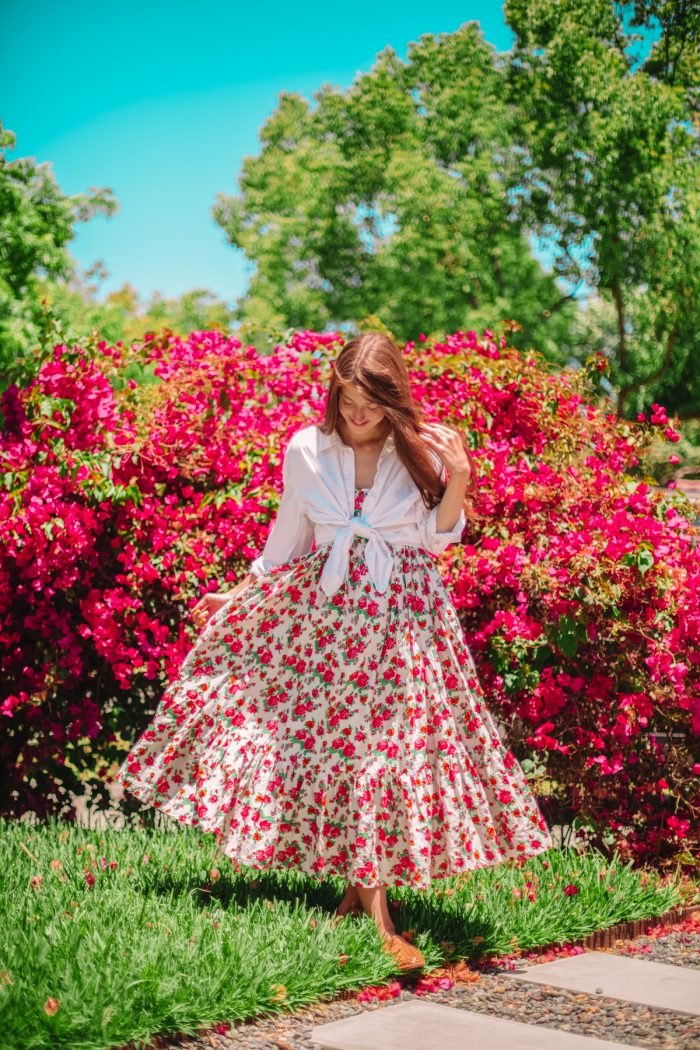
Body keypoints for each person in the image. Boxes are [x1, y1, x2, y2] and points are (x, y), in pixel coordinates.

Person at [116, 331, 553, 972]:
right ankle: (375, 914)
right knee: (354, 752)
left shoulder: (422, 448)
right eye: (348, 400)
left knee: (388, 752)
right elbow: (288, 539)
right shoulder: (306, 449)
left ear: (392, 397)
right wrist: (237, 596)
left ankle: (362, 899)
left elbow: (438, 540)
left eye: (371, 402)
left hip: (406, 620)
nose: (357, 415)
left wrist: (459, 476)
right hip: (327, 626)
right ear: (334, 392)